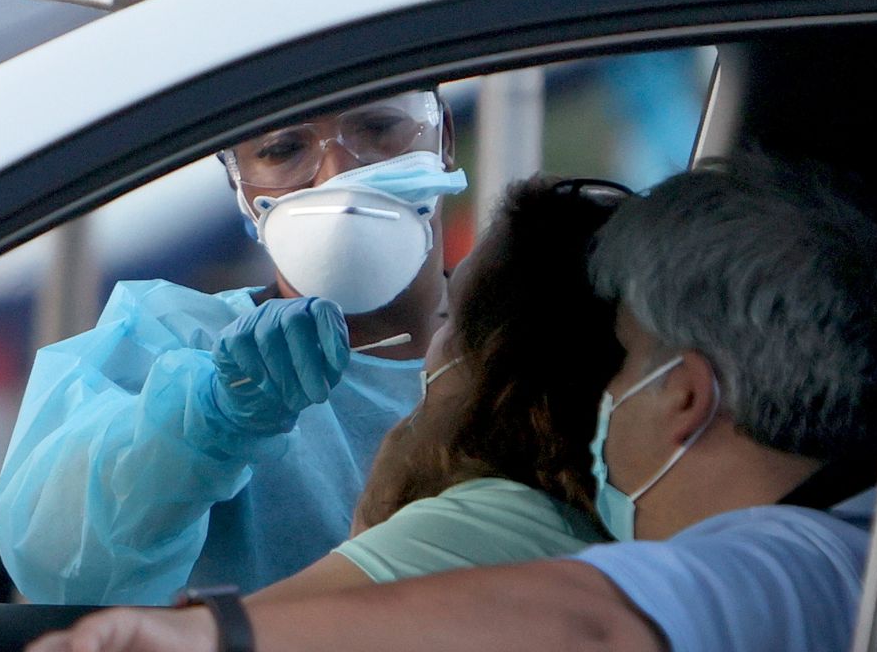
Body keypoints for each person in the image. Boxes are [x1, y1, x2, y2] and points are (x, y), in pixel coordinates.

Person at [0, 156, 877, 652]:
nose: (601, 401)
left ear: (682, 399)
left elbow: (583, 617)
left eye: (623, 363)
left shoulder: (805, 567)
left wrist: (212, 649)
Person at [0, 90, 467, 605]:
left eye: (377, 128)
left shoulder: (530, 345)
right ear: (238, 186)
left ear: (443, 140)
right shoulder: (176, 349)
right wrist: (202, 423)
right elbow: (56, 564)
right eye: (285, 150)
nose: (336, 176)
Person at [253, 176, 627, 602]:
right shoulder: (600, 510)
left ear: (495, 363)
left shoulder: (486, 520)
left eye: (448, 318)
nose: (433, 345)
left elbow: (215, 648)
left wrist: (375, 521)